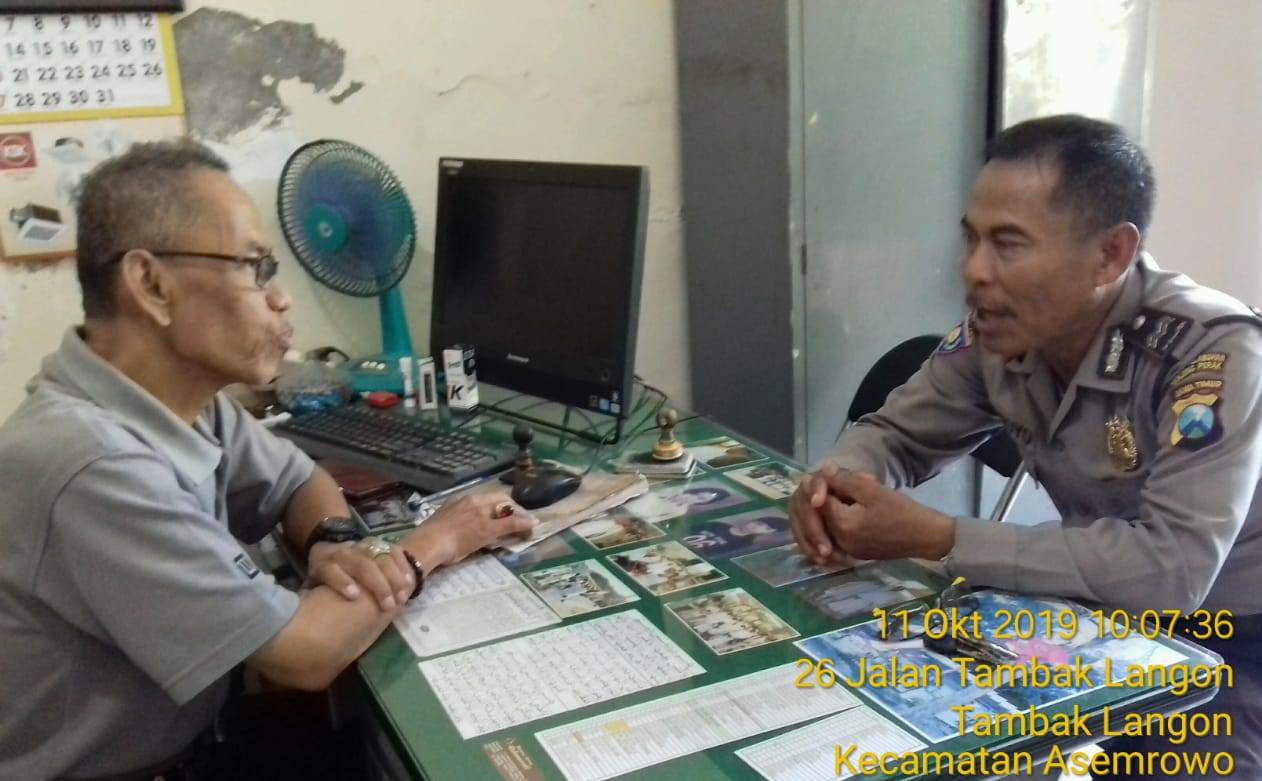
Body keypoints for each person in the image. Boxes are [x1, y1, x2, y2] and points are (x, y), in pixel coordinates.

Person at [0, 139, 534, 780]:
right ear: (151, 285)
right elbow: (304, 655)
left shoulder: (176, 397)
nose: (281, 300)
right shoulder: (93, 465)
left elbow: (299, 480)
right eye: (255, 268)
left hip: (203, 730)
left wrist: (332, 543)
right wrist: (439, 541)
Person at [789, 114, 1262, 778]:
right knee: (897, 720)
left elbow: (1171, 570)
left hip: (1229, 631)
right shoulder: (1002, 330)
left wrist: (939, 538)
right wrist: (834, 483)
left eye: (1008, 245)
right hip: (1085, 604)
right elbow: (896, 434)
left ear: (1110, 254)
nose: (974, 271)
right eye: (971, 239)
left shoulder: (1209, 350)